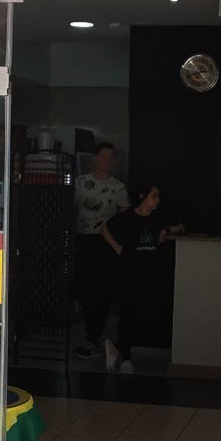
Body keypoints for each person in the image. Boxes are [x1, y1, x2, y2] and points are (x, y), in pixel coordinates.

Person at [101, 181, 168, 374]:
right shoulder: (127, 218)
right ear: (142, 197)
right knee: (128, 313)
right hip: (128, 272)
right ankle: (126, 357)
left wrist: (166, 233)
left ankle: (117, 348)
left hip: (148, 273)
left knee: (138, 314)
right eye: (153, 196)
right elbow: (105, 229)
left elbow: (167, 233)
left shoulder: (157, 219)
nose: (157, 200)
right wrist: (117, 248)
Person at [74, 142, 130, 360]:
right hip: (83, 241)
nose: (105, 161)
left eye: (109, 157)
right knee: (85, 289)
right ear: (95, 158)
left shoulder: (118, 188)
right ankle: (90, 335)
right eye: (102, 156)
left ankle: (95, 337)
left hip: (106, 244)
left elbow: (125, 219)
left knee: (102, 291)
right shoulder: (80, 183)